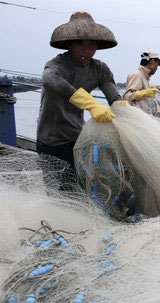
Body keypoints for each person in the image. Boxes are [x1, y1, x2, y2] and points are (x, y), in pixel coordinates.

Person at [37, 12, 125, 191]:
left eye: (91, 44)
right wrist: (90, 103)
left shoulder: (99, 69)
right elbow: (50, 80)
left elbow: (114, 96)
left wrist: (122, 107)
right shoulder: (57, 65)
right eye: (80, 44)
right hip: (51, 139)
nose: (86, 50)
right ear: (69, 44)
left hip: (78, 138)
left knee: (84, 186)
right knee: (60, 190)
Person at [123, 50, 160, 124]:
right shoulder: (137, 75)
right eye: (157, 64)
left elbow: (150, 110)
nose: (157, 68)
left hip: (145, 122)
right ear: (153, 61)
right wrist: (142, 93)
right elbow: (127, 97)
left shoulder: (145, 79)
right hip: (136, 122)